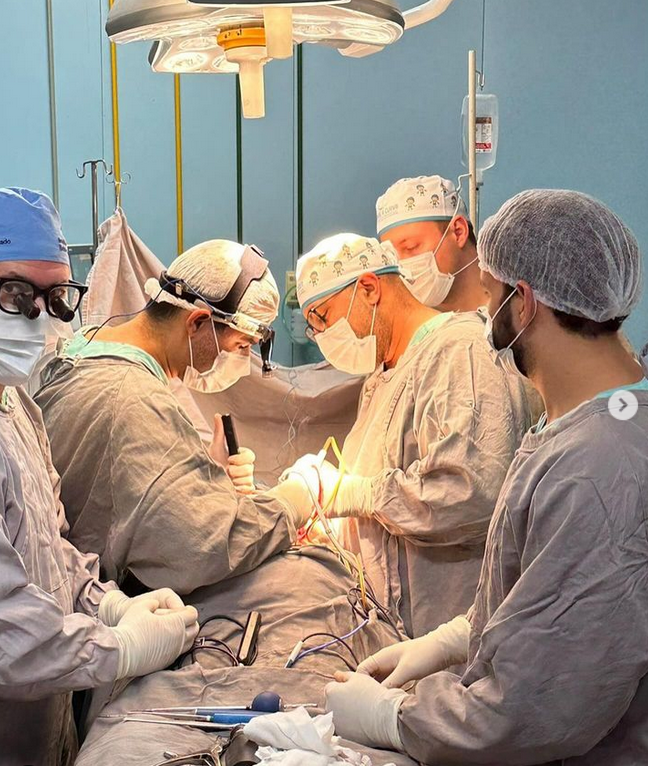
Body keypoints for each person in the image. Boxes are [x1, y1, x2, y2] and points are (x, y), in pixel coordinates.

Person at [326, 190, 648, 766]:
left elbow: (535, 708)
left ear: (523, 302)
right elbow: (544, 596)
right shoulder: (597, 418)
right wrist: (455, 638)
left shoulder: (597, 467)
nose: (481, 314)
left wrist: (393, 718)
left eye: (489, 294)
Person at [0, 187, 199, 766]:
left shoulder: (17, 407)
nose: (39, 317)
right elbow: (7, 634)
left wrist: (106, 605)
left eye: (57, 296)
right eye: (14, 293)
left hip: (40, 723)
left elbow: (49, 550)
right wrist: (119, 649)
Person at [283, 232, 537, 638]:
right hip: (395, 630)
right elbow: (386, 520)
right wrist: (330, 526)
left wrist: (350, 493)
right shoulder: (385, 375)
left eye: (323, 318)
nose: (323, 336)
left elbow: (472, 492)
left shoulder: (460, 351)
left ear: (369, 288)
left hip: (451, 634)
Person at [34, 238, 315, 596]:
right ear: (197, 322)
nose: (240, 361)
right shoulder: (134, 397)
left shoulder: (88, 344)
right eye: (240, 346)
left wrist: (204, 472)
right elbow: (205, 545)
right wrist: (293, 500)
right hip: (93, 601)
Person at [376, 174, 486, 310]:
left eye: (410, 247)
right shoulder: (416, 322)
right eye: (392, 256)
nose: (402, 268)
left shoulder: (509, 311)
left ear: (459, 232)